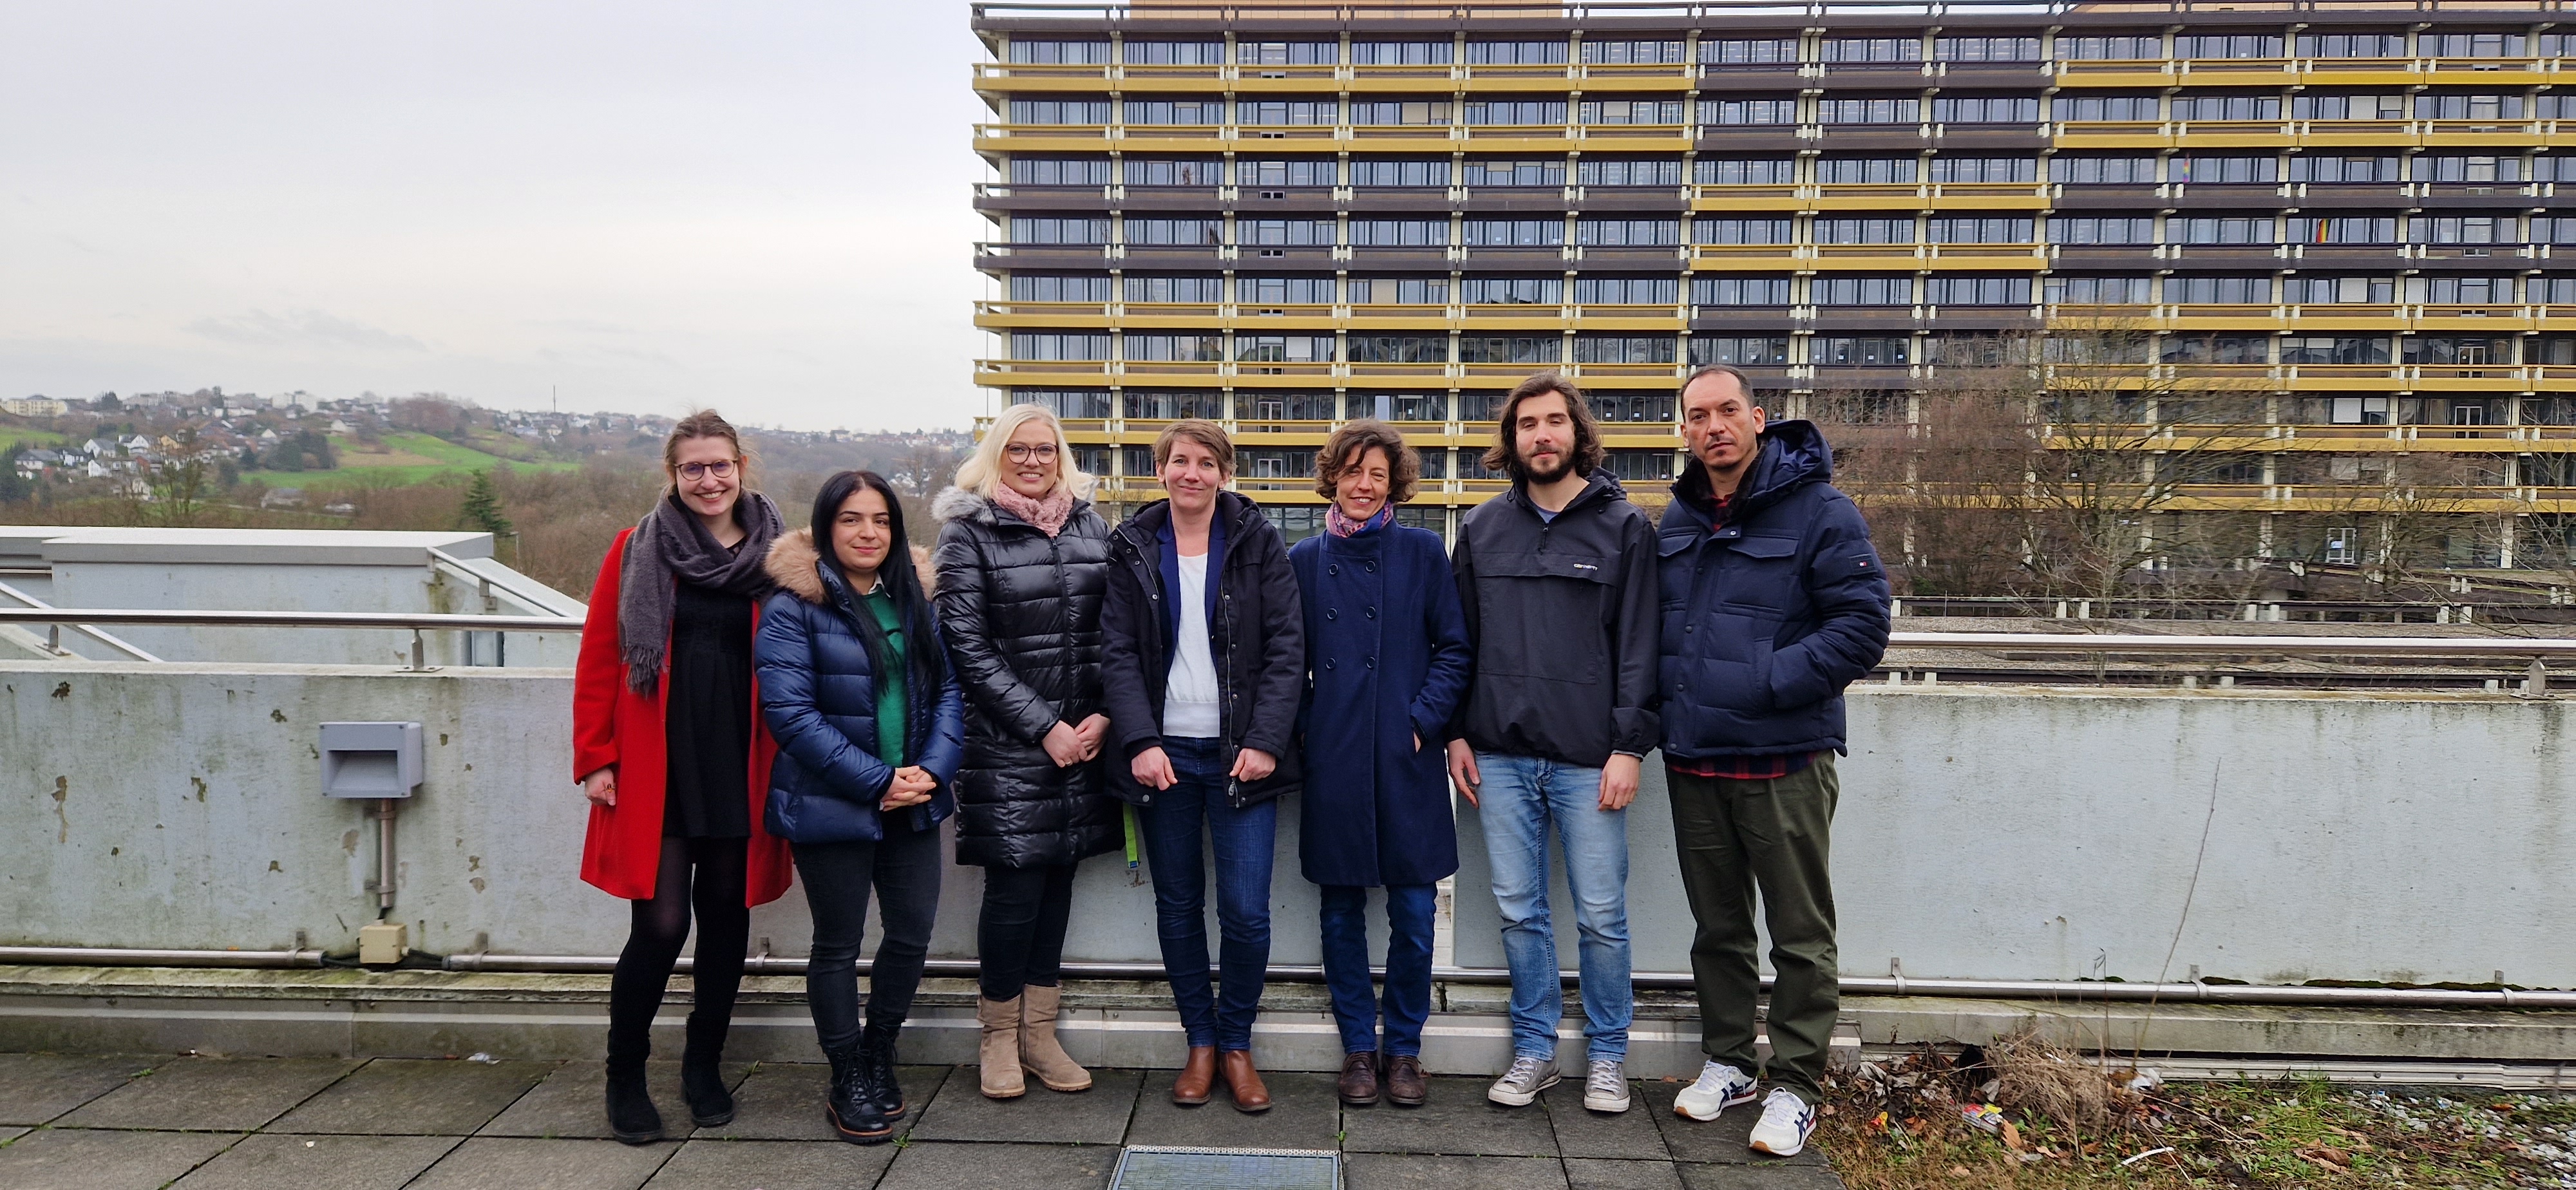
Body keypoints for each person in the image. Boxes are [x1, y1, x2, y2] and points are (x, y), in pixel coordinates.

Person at [1656, 364, 1888, 1158]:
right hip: (1694, 759)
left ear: (1758, 418)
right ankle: (1728, 1061)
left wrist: (1767, 684)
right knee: (1717, 929)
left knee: (1799, 931)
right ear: (1684, 431)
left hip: (1784, 757)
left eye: (1726, 411)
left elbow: (1861, 626)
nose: (1713, 426)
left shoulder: (1821, 511)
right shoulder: (1678, 519)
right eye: (1697, 416)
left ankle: (1796, 1083)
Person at [572, 410, 795, 1144]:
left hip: (743, 751)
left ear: (741, 468)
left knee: (727, 919)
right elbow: (602, 657)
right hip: (657, 759)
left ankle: (704, 1067)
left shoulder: (782, 552)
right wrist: (596, 756)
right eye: (692, 468)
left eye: (720, 466)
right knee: (661, 923)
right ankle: (624, 1075)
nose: (708, 480)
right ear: (673, 475)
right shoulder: (636, 548)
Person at [1446, 372, 1659, 1115]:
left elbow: (1642, 648)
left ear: (1577, 434)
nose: (1541, 435)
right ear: (1511, 440)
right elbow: (1457, 645)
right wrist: (1455, 735)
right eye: (1527, 424)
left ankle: (1607, 1056)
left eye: (1554, 423)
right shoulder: (1479, 531)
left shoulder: (1625, 528)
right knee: (1518, 911)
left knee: (1602, 915)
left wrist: (1630, 747)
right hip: (1498, 755)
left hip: (1589, 760)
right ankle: (1534, 1050)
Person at [753, 470, 965, 1144]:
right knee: (838, 944)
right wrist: (877, 780)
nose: (868, 532)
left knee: (909, 935)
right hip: (831, 803)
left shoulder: (917, 599)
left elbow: (952, 693)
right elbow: (790, 714)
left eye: (880, 520)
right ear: (824, 529)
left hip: (914, 801)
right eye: (851, 519)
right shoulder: (794, 607)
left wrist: (929, 771)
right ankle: (846, 1072)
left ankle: (879, 1053)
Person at [1101, 419, 1305, 1113]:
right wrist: (1139, 740)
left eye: (1206, 462)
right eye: (1179, 461)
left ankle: (1237, 1042)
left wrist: (1266, 738)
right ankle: (1199, 1041)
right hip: (1165, 757)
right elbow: (1118, 655)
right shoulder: (1131, 545)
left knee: (1246, 911)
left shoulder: (1257, 541)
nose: (1192, 473)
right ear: (1159, 470)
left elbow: (1286, 648)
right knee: (1178, 905)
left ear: (1224, 472)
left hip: (1241, 758)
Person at [931, 404, 1120, 1100]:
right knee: (1014, 890)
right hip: (1009, 746)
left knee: (1059, 884)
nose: (1033, 461)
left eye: (1045, 449)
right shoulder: (967, 533)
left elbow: (1117, 631)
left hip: (1085, 743)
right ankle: (998, 1039)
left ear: (1060, 455)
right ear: (996, 455)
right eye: (1019, 450)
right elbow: (967, 649)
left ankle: (1040, 1035)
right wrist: (1045, 727)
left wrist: (1102, 716)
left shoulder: (1092, 525)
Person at [1289, 419, 1472, 1108]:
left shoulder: (1423, 551)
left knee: (1415, 911)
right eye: (1352, 472)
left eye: (1378, 475)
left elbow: (1454, 648)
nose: (1364, 485)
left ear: (1394, 484)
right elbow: (1286, 662)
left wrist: (1423, 720)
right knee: (1339, 912)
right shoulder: (1304, 559)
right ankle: (1357, 1051)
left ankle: (1404, 1050)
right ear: (1331, 476)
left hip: (1406, 756)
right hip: (1334, 757)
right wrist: (1309, 732)